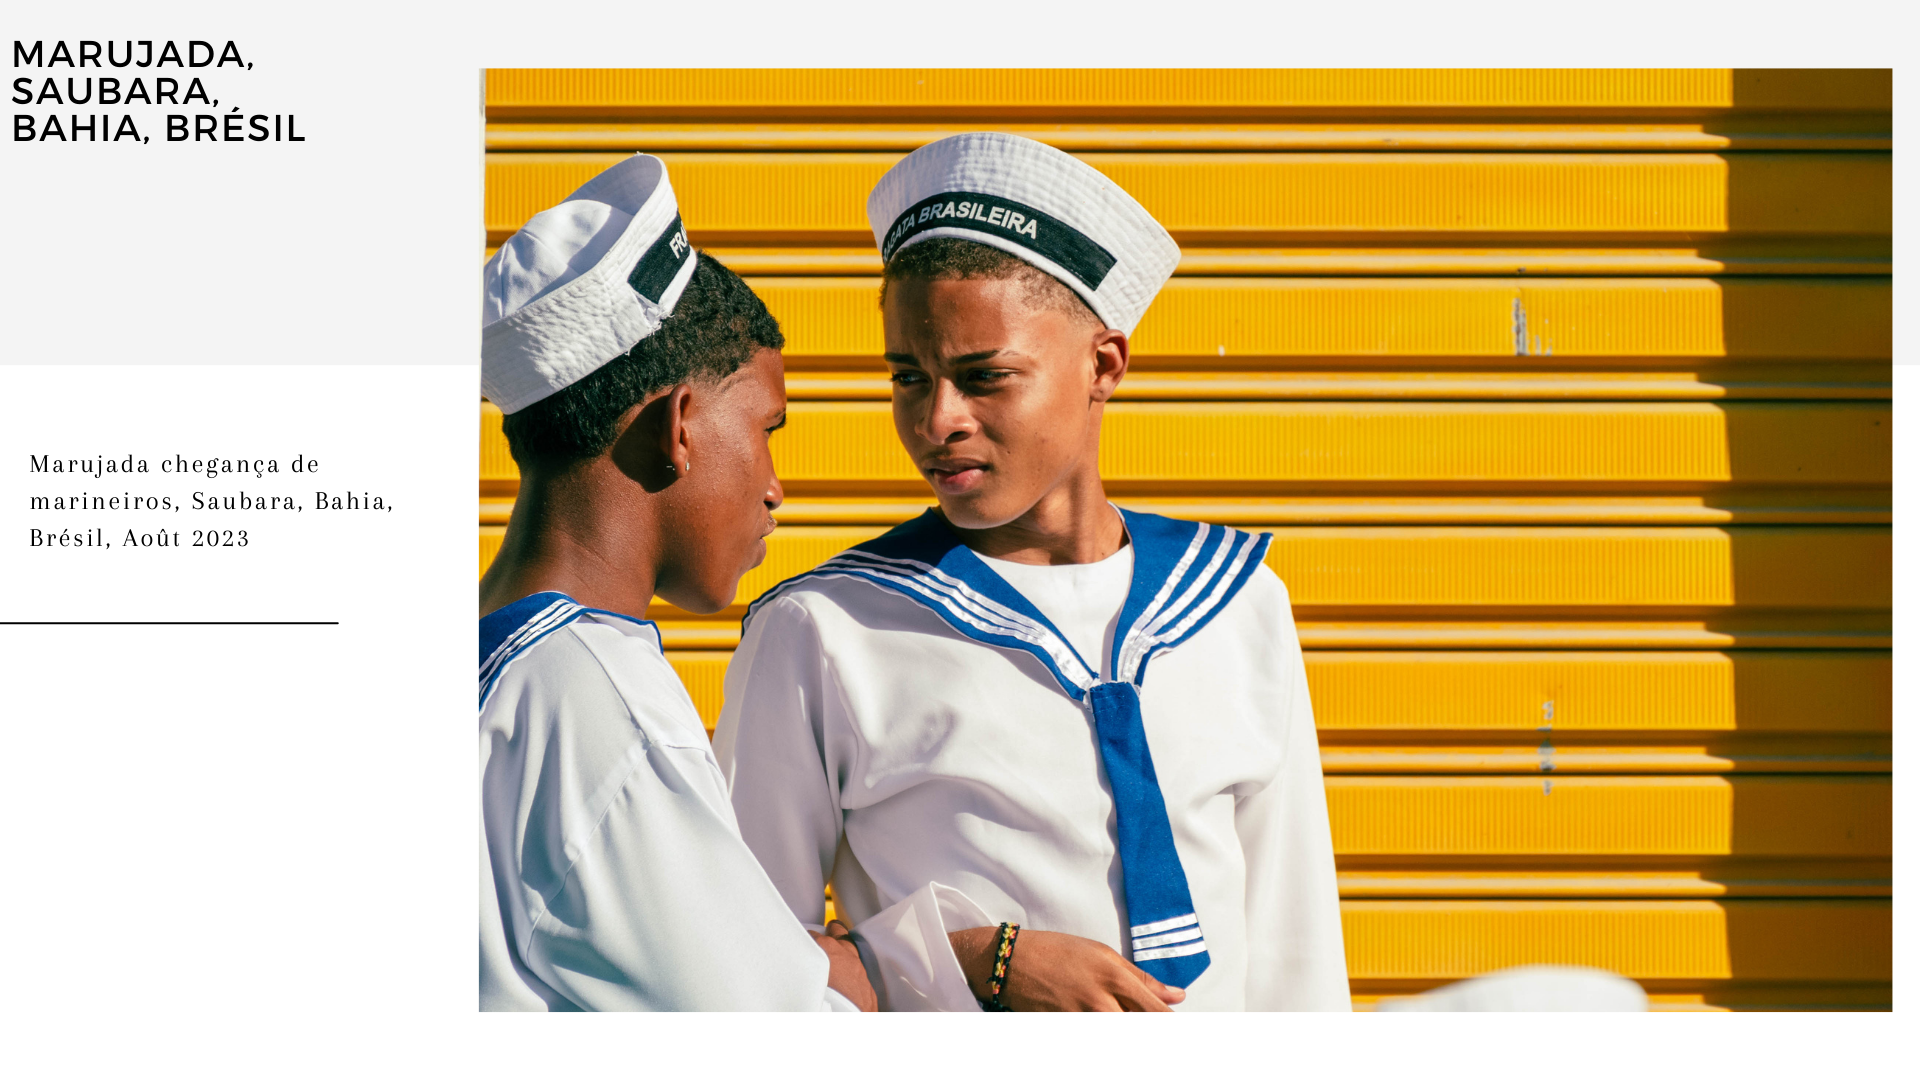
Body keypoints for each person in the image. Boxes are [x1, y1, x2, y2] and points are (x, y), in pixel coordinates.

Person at [715, 132, 1351, 1010]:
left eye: (985, 377)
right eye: (909, 378)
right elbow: (741, 964)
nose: (938, 420)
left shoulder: (1238, 603)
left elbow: (1295, 953)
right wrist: (976, 959)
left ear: (1104, 365)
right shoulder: (825, 631)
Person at [480, 153, 913, 1010]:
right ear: (680, 426)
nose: (774, 487)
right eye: (766, 429)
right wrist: (956, 966)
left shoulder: (499, 669)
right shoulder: (601, 700)